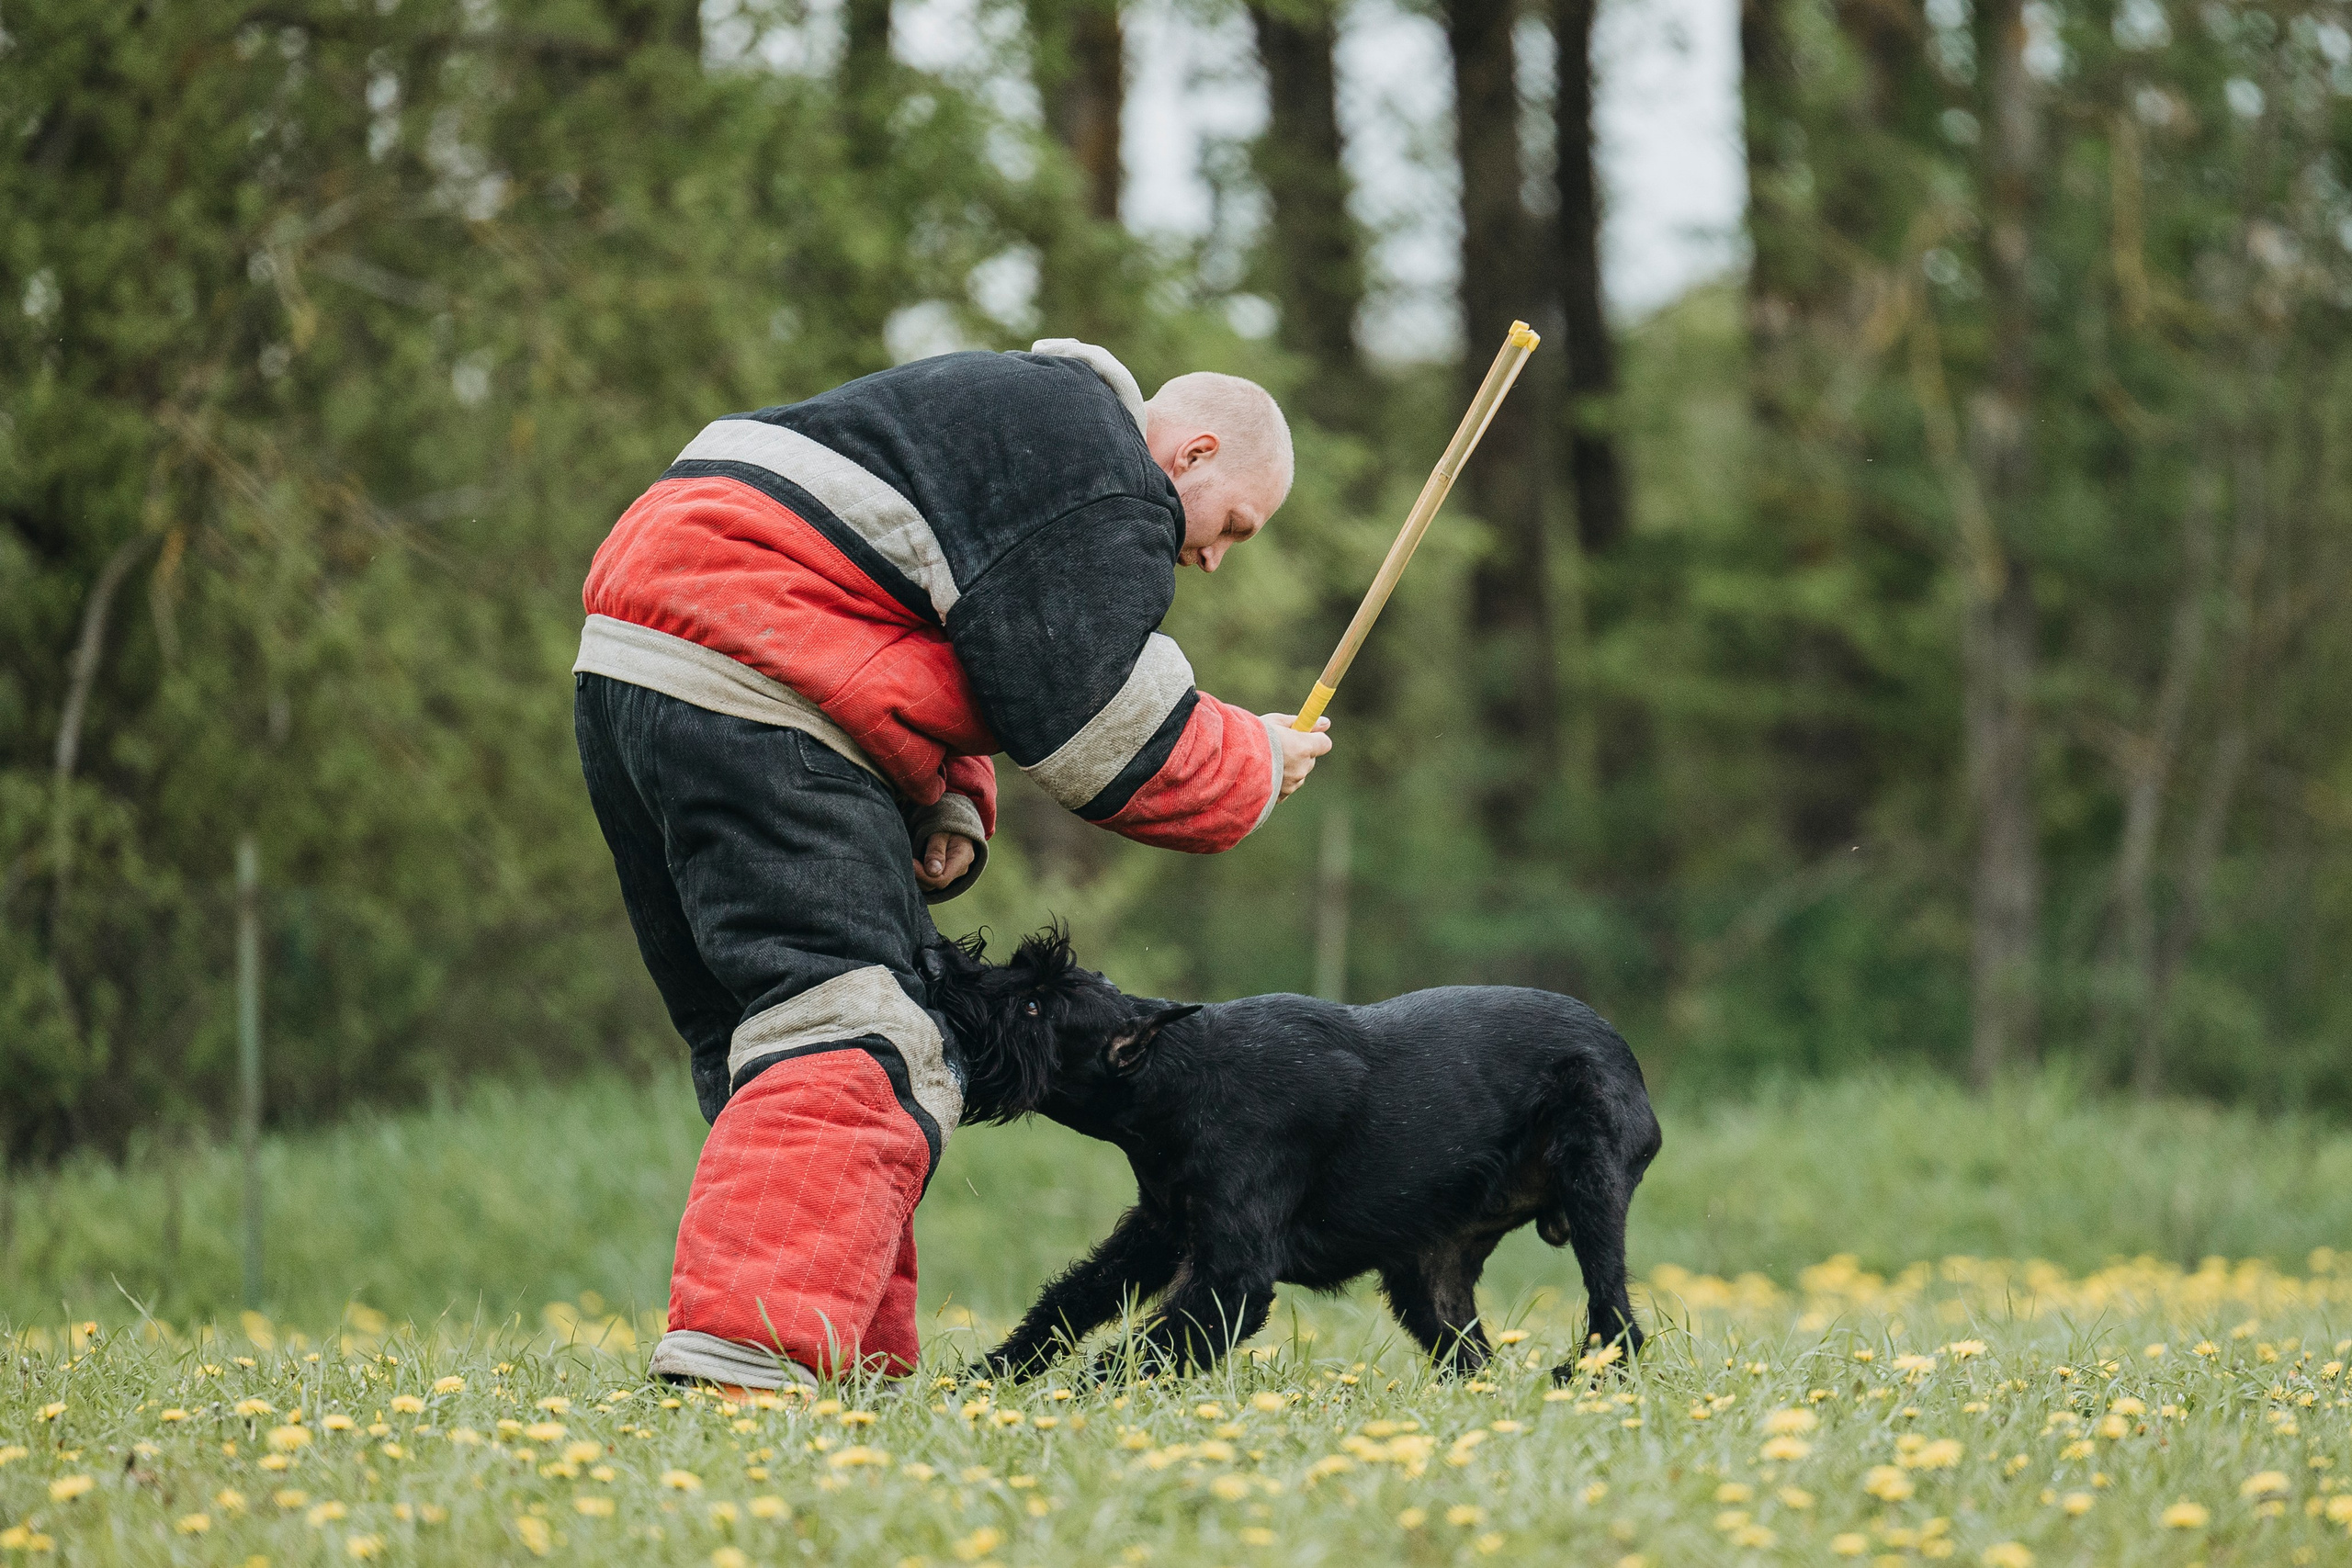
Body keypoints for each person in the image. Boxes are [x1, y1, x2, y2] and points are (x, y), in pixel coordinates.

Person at [571, 338, 1330, 1391]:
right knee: (856, 1024)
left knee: (776, 1031)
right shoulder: (1106, 473)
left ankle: (850, 1355)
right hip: (758, 686)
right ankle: (749, 1362)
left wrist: (944, 798)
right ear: (1192, 454)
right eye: (1231, 526)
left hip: (635, 675)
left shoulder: (1015, 419)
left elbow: (940, 623)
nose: (1212, 559)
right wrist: (1256, 758)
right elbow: (1100, 725)